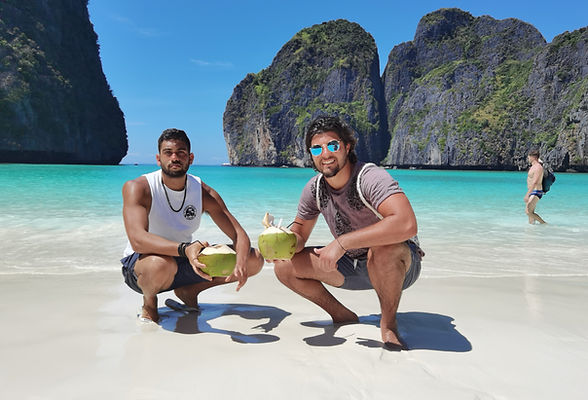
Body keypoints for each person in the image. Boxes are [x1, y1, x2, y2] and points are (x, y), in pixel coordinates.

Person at [272, 116, 424, 351]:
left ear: (347, 147)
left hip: (399, 265)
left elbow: (406, 223)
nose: (326, 154)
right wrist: (280, 244)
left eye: (333, 145)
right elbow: (299, 235)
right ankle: (342, 315)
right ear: (310, 154)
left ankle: (389, 325)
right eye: (317, 148)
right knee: (284, 266)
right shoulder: (314, 189)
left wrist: (342, 243)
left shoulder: (369, 177)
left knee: (384, 248)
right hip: (352, 266)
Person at [121, 128, 263, 322]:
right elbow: (138, 240)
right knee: (161, 264)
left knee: (253, 259)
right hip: (142, 265)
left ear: (191, 158)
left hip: (185, 259)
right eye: (168, 152)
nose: (175, 157)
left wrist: (240, 263)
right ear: (158, 158)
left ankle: (189, 290)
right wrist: (185, 249)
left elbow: (238, 234)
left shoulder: (203, 192)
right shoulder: (138, 187)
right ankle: (149, 303)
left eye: (181, 153)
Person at [524, 150, 547, 224]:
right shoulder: (535, 165)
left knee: (528, 211)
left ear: (532, 157)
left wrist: (527, 194)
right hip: (532, 191)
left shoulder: (538, 167)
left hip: (536, 191)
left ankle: (544, 224)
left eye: (529, 157)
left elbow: (535, 182)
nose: (528, 159)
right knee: (531, 213)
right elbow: (540, 161)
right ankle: (532, 230)